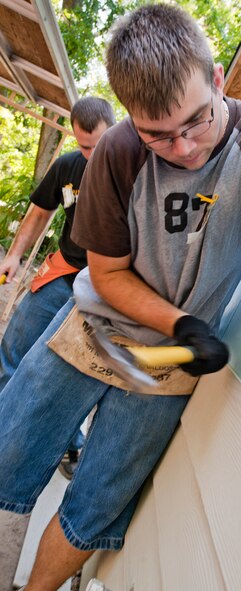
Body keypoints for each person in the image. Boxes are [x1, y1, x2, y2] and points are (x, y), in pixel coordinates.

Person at [0, 5, 241, 591]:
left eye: (197, 123)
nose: (183, 148)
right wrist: (180, 320)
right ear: (132, 117)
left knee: (96, 507)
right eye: (158, 134)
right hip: (90, 332)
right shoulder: (116, 152)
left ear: (218, 82)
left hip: (171, 371)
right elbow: (106, 274)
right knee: (8, 458)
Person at [0, 96, 116, 478]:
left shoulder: (133, 169)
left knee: (69, 373)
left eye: (99, 145)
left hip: (102, 288)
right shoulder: (68, 166)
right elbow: (39, 212)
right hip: (63, 271)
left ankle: (72, 447)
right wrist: (14, 256)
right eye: (85, 147)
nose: (92, 155)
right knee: (13, 351)